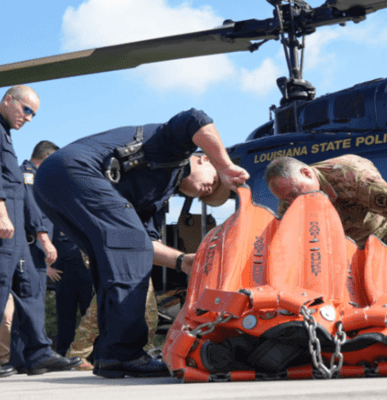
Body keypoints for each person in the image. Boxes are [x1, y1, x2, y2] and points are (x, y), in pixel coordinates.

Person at [33, 108, 250, 379]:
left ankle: (110, 356)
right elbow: (196, 119)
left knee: (111, 260)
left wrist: (182, 261)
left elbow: (146, 243)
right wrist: (227, 165)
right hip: (73, 170)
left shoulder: (158, 198)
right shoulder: (174, 148)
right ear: (205, 160)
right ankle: (125, 353)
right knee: (127, 249)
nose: (209, 190)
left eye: (210, 196)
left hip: (51, 186)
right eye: (214, 181)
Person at [0, 85, 81, 378]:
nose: (29, 118)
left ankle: (38, 355)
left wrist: (42, 236)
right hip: (5, 226)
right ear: (8, 100)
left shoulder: (5, 135)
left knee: (30, 288)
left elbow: (19, 191)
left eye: (33, 114)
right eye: (27, 110)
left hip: (19, 231)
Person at [265, 155, 387, 250]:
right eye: (286, 199)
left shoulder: (352, 175)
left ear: (306, 173)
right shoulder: (289, 198)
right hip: (344, 255)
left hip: (383, 240)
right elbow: (284, 238)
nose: (293, 202)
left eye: (295, 194)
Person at [7, 141, 62, 372]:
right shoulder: (28, 176)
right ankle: (37, 355)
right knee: (32, 300)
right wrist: (45, 239)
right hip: (30, 248)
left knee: (26, 304)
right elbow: (33, 211)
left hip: (30, 248)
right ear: (47, 158)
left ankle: (21, 359)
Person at [52, 226, 93, 359]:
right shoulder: (55, 221)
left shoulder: (85, 219)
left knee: (91, 316)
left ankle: (93, 355)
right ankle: (64, 355)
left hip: (88, 276)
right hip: (63, 277)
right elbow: (43, 245)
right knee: (65, 318)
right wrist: (46, 268)